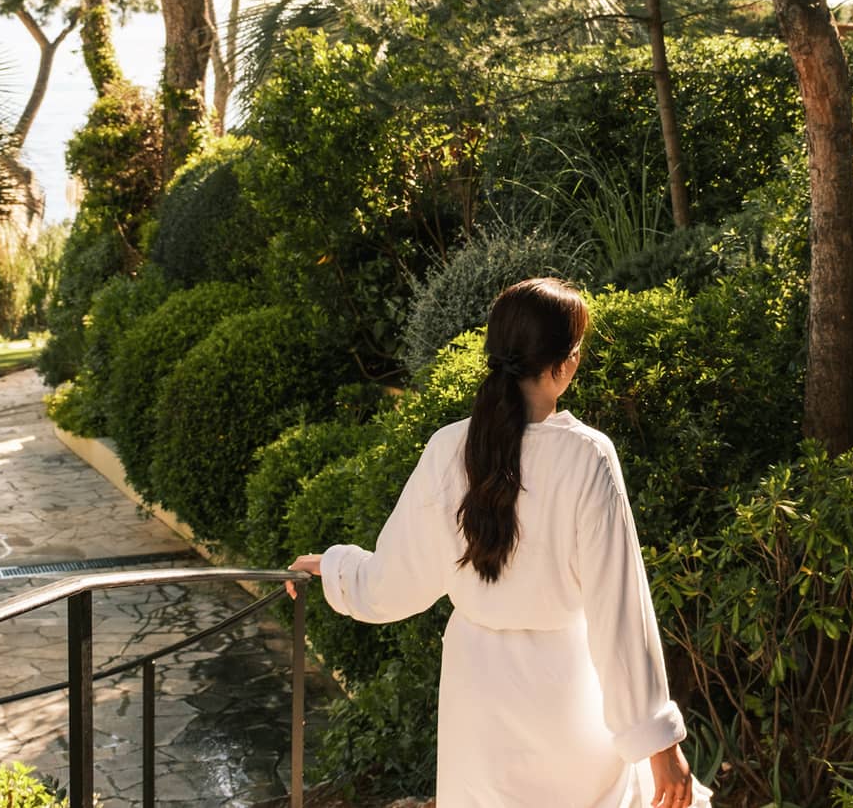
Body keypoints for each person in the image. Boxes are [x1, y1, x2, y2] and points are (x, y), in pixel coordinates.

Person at [287, 278, 712, 808]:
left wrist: (335, 567)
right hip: (566, 701)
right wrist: (658, 743)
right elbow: (619, 609)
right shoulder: (587, 456)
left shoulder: (449, 448)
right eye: (577, 348)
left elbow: (393, 581)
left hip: (478, 702)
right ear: (563, 364)